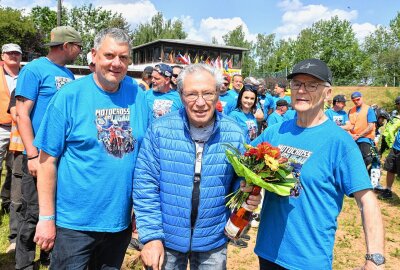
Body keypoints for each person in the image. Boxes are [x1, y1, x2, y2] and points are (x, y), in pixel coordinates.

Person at [32, 28, 149, 269]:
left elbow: (146, 156)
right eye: (109, 55)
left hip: (119, 223)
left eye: (123, 58)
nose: (116, 63)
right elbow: (46, 162)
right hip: (74, 225)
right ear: (94, 56)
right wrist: (46, 218)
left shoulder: (137, 95)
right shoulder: (69, 96)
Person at [251, 58, 384, 270]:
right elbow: (245, 162)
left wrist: (375, 258)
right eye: (297, 84)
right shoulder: (275, 132)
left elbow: (367, 201)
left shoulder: (339, 142)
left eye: (312, 85)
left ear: (327, 93)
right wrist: (248, 187)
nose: (302, 90)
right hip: (268, 252)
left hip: (308, 260)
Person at [133, 63, 261, 270]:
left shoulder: (235, 133)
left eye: (208, 93)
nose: (200, 102)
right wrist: (151, 237)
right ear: (181, 95)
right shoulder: (160, 130)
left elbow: (239, 182)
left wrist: (247, 193)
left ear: (219, 94)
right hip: (166, 240)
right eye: (192, 94)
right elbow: (145, 185)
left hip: (213, 240)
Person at [15, 25, 82, 270]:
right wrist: (32, 154)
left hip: (60, 158)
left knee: (54, 211)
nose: (80, 51)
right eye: (79, 47)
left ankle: (47, 258)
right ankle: (23, 264)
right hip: (37, 156)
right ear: (66, 46)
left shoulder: (69, 74)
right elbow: (22, 114)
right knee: (33, 213)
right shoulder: (33, 70)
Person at [0, 44, 21, 215]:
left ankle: (7, 203)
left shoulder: (26, 75)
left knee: (14, 169)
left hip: (18, 130)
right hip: (1, 127)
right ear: (3, 56)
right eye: (9, 53)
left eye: (16, 53)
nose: (13, 55)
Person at [348, 91, 377, 167]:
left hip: (365, 138)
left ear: (361, 98)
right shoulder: (351, 111)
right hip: (352, 138)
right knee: (351, 158)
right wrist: (351, 135)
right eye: (354, 100)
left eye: (358, 99)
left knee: (367, 159)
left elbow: (370, 126)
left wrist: (359, 135)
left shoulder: (369, 110)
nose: (356, 102)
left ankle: (363, 174)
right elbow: (348, 125)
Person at [380, 96, 400, 199]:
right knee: (390, 169)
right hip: (395, 148)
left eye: (398, 104)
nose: (398, 106)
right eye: (397, 104)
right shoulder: (398, 117)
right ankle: (388, 190)